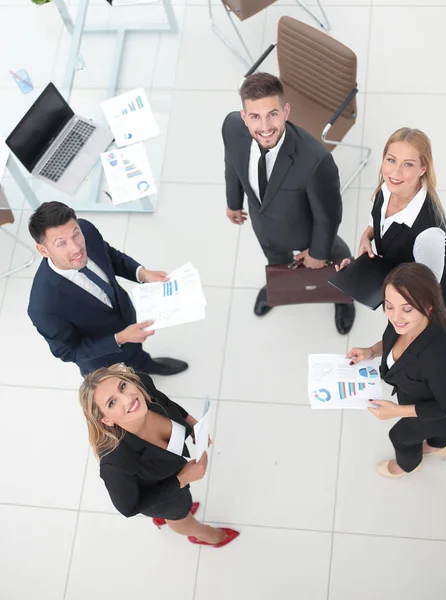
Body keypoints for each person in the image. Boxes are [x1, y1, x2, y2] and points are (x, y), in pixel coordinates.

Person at [222, 72, 355, 335]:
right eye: (255, 116)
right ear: (243, 116)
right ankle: (277, 288)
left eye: (272, 114)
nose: (265, 126)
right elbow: (232, 165)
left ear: (285, 111)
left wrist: (317, 254)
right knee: (276, 261)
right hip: (265, 226)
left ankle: (343, 296)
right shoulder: (231, 128)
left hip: (306, 230)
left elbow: (328, 216)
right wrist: (233, 202)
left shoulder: (315, 158)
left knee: (336, 257)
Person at [79, 363, 239, 547]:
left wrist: (192, 424)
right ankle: (204, 534)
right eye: (112, 402)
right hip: (160, 495)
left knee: (180, 507)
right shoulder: (115, 463)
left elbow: (166, 403)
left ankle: (165, 517)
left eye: (122, 386)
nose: (128, 398)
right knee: (180, 514)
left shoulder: (142, 385)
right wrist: (183, 479)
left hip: (172, 473)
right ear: (106, 419)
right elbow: (129, 508)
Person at [27, 201, 188, 377]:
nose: (76, 248)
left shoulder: (86, 230)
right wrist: (121, 338)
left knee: (138, 359)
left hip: (126, 318)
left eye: (75, 235)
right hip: (105, 362)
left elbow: (109, 255)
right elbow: (69, 352)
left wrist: (141, 273)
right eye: (61, 243)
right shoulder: (43, 306)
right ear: (43, 250)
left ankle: (147, 364)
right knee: (132, 387)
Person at [347, 263, 446, 478]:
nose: (395, 317)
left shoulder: (440, 355)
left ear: (428, 306)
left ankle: (407, 465)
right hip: (423, 403)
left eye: (407, 309)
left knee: (400, 436)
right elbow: (390, 341)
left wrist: (396, 411)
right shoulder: (401, 324)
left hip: (432, 413)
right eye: (389, 305)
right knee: (439, 435)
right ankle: (438, 445)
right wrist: (371, 351)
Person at [337, 127, 446, 317]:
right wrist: (367, 236)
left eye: (408, 164)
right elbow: (380, 218)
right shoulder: (386, 188)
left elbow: (425, 292)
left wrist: (368, 282)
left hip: (422, 308)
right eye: (391, 160)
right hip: (397, 278)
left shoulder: (429, 234)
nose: (395, 172)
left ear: (423, 168)